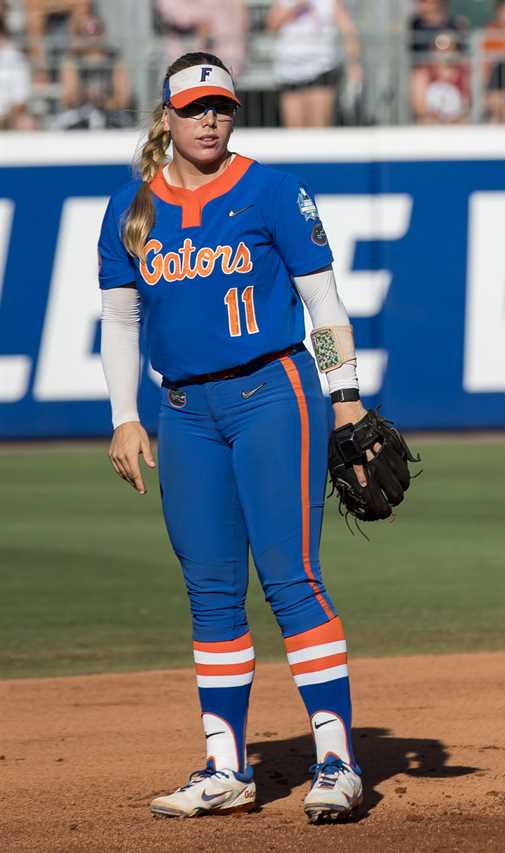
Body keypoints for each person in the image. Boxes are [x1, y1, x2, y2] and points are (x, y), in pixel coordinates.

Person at [97, 53, 376, 822]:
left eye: (221, 105)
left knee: (290, 578)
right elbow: (121, 320)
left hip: (272, 395)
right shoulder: (132, 208)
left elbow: (326, 307)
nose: (210, 118)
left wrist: (345, 398)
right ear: (167, 119)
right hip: (182, 412)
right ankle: (227, 766)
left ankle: (337, 759)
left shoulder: (274, 191)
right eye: (194, 108)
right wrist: (126, 415)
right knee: (211, 590)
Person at [266, 0, 362, 127]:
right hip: (289, 71)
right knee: (294, 130)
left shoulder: (329, 3)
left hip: (321, 68)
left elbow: (348, 30)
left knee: (318, 128)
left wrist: (353, 64)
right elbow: (271, 26)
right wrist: (296, 6)